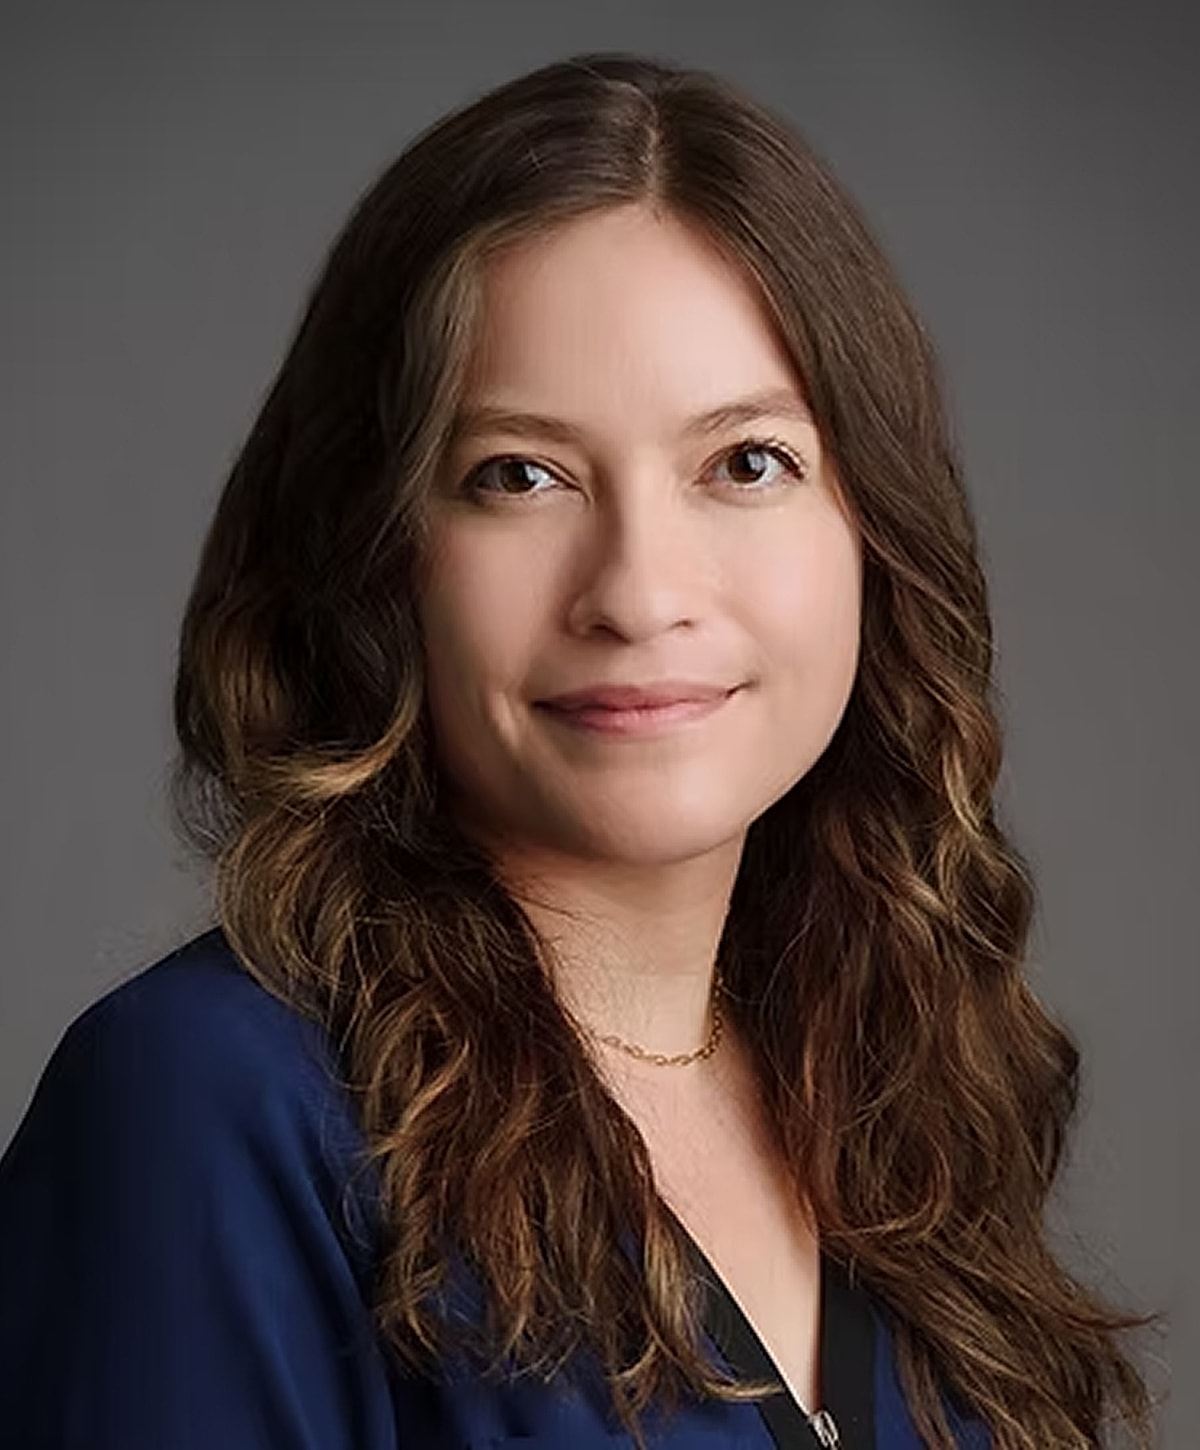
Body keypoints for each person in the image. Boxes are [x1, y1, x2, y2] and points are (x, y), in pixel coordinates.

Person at [0, 52, 1153, 1450]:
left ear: (874, 530)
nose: (639, 589)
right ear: (377, 553)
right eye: (519, 475)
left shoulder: (890, 1101)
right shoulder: (207, 1107)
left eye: (745, 462)